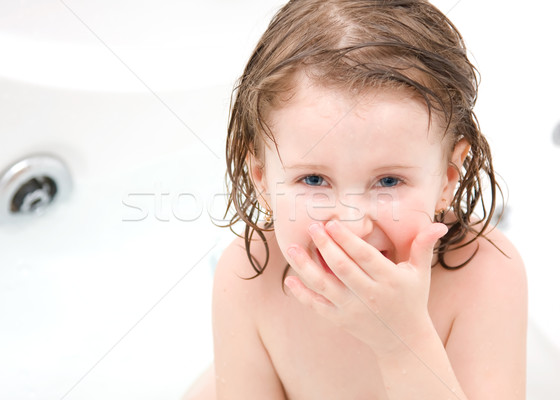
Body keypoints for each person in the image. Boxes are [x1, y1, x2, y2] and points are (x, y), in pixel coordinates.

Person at [184, 0, 527, 398]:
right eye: (313, 179)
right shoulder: (248, 277)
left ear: (448, 179)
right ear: (262, 179)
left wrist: (402, 343)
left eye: (389, 181)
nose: (351, 224)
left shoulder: (485, 274)